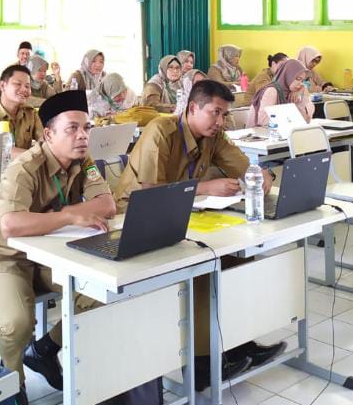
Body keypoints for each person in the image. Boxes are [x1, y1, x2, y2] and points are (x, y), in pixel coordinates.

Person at [113, 80, 280, 388]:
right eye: (215, 113)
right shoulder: (161, 131)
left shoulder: (213, 137)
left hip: (181, 216)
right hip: (135, 219)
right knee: (205, 269)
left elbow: (245, 169)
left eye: (224, 114)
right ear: (192, 108)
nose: (220, 121)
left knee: (236, 260)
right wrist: (205, 188)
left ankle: (239, 344)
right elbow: (149, 193)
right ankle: (201, 366)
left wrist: (262, 175)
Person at [0, 91, 113, 399]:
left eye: (87, 128)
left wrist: (74, 215)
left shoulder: (83, 161)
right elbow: (10, 224)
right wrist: (71, 214)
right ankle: (10, 387)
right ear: (48, 134)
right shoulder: (25, 167)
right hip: (2, 256)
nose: (83, 136)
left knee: (99, 294)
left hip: (49, 255)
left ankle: (45, 348)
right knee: (18, 323)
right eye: (73, 128)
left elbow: (107, 204)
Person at [0, 65, 43, 155]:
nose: (24, 89)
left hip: (24, 167)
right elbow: (2, 152)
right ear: (2, 86)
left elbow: (44, 140)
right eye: (18, 84)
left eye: (27, 86)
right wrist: (39, 156)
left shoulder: (30, 113)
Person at [246, 58, 313, 127]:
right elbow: (263, 121)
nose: (301, 84)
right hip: (257, 133)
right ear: (288, 75)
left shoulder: (292, 91)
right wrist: (291, 116)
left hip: (276, 133)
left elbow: (306, 119)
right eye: (298, 79)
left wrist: (304, 91)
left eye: (302, 81)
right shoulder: (272, 91)